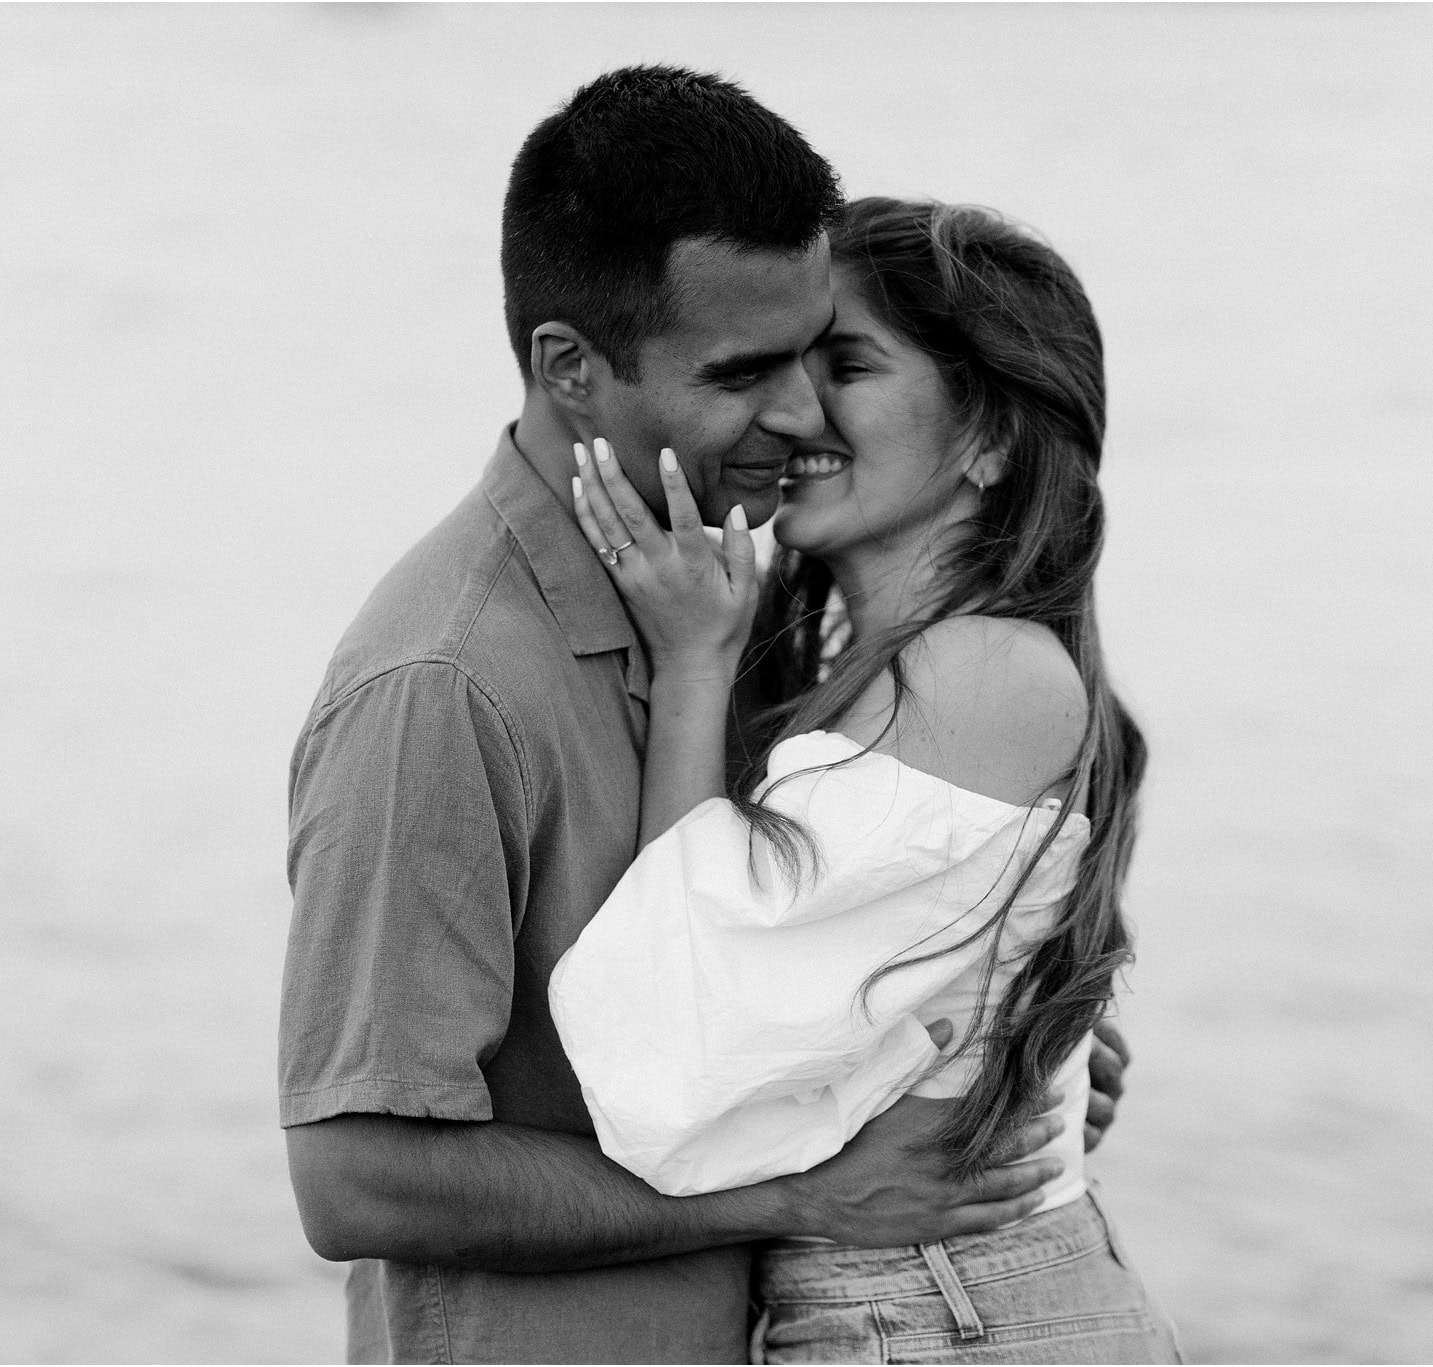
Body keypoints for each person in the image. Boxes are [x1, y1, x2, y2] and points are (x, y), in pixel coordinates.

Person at [280, 67, 1131, 1364]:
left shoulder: (729, 622)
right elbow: (354, 1180)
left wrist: (1002, 1054)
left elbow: (814, 968)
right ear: (570, 366)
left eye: (820, 357)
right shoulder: (442, 686)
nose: (798, 417)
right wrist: (799, 1191)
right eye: (750, 371)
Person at [550, 196, 1181, 1362]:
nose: (794, 408)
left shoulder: (978, 670)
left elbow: (676, 1042)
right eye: (784, 364)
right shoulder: (877, 674)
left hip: (950, 1314)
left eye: (846, 362)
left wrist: (692, 664)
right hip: (927, 1309)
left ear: (990, 439)